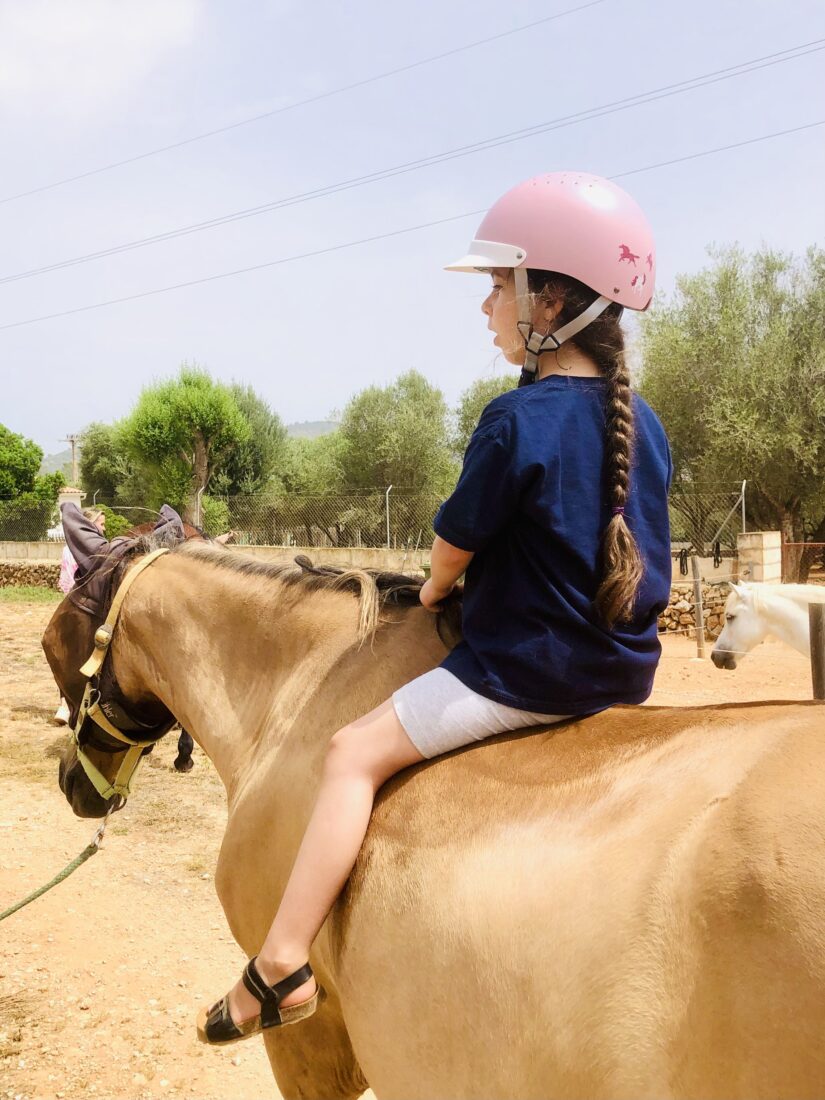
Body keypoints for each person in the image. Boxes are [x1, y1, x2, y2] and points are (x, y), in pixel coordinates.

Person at [198, 171, 673, 1045]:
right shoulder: (642, 422)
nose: (487, 305)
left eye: (499, 285)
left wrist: (434, 591)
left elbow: (452, 546)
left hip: (525, 672)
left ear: (549, 300)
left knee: (348, 753)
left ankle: (280, 967)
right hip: (626, 670)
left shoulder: (514, 419)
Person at [54, 506, 107, 724]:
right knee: (69, 656)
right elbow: (69, 581)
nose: (104, 529)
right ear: (90, 524)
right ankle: (65, 705)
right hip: (82, 608)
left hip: (88, 607)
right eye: (102, 524)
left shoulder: (100, 548)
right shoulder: (76, 550)